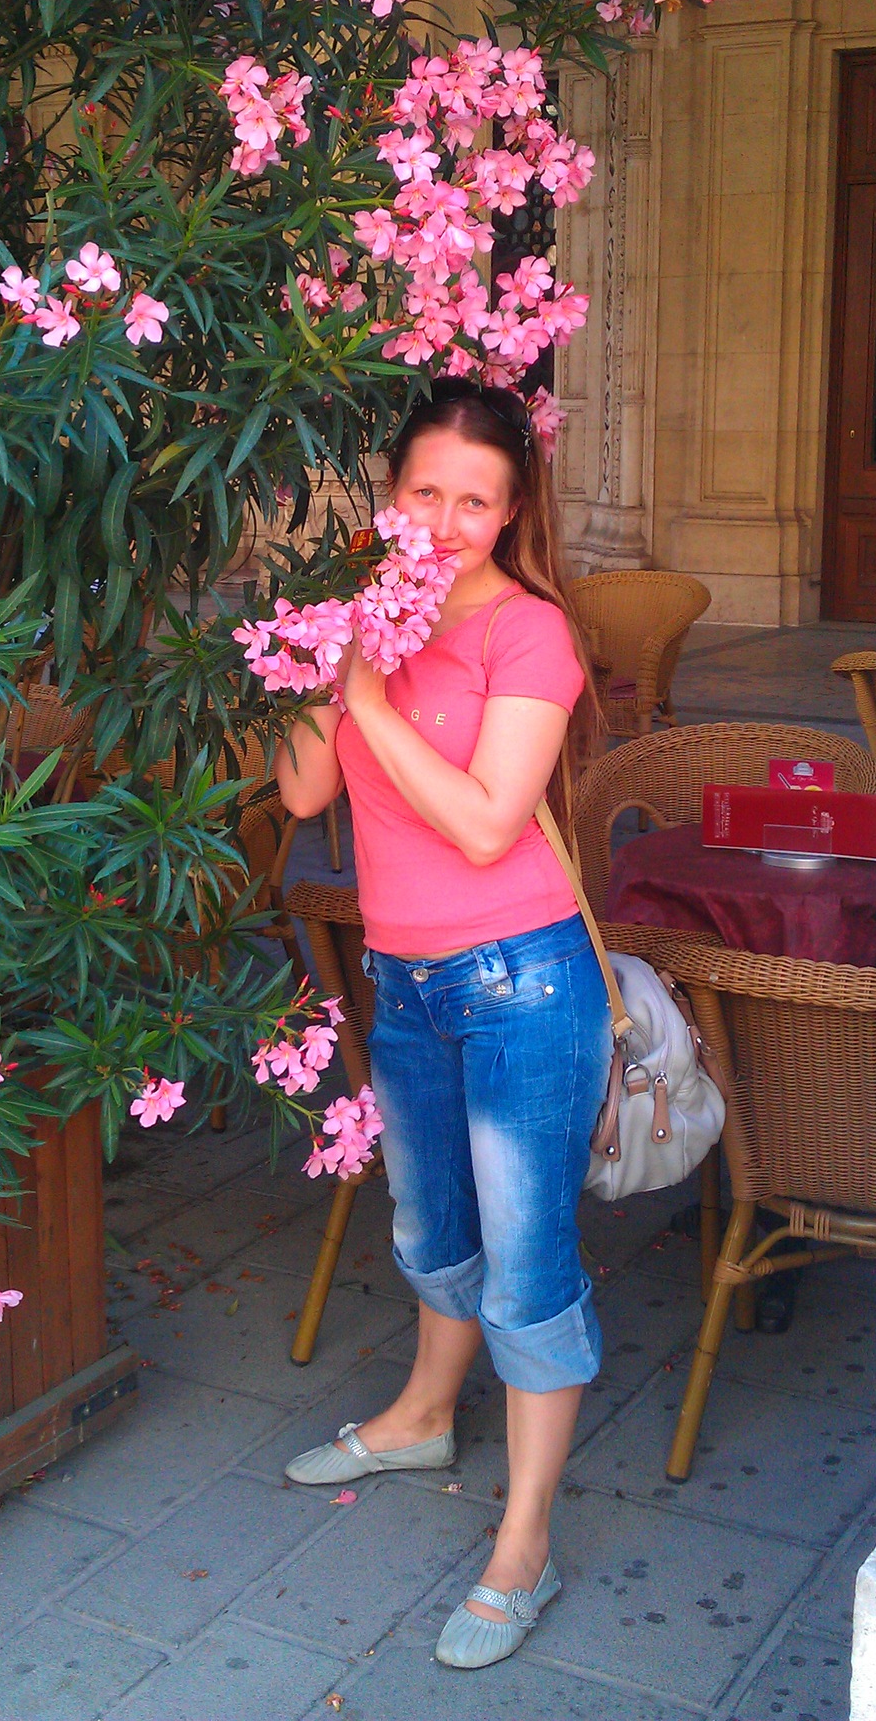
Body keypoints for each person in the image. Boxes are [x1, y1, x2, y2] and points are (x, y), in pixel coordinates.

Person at [272, 378, 610, 1671]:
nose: (448, 521)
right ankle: (423, 1415)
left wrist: (366, 694)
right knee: (428, 1229)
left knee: (527, 1268)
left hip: (523, 981)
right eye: (426, 493)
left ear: (511, 512)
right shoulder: (373, 619)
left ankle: (524, 1542)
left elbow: (483, 824)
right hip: (405, 979)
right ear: (389, 497)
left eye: (477, 500)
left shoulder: (529, 633)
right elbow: (304, 790)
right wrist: (329, 650)